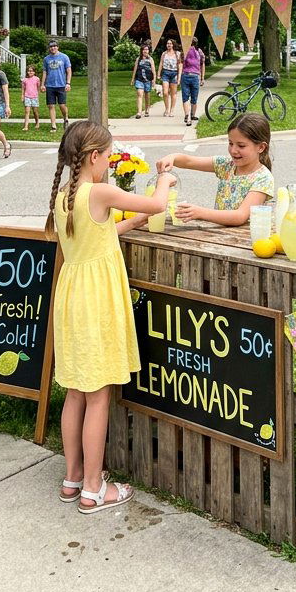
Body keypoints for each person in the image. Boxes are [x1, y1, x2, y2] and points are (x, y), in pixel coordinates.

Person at [46, 121, 174, 513]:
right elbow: (158, 205)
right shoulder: (100, 190)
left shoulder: (64, 196)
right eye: (107, 153)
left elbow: (94, 233)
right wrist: (165, 179)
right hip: (96, 300)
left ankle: (72, 478)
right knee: (98, 396)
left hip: (70, 297)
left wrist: (128, 223)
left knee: (75, 393)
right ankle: (94, 487)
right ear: (94, 157)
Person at [156, 112, 274, 226]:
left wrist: (200, 212)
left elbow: (240, 216)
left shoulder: (263, 178)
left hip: (244, 241)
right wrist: (173, 157)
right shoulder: (227, 165)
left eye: (241, 146)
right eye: (230, 143)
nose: (233, 150)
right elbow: (189, 161)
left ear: (261, 147)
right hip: (218, 236)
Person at [41, 38, 72, 132]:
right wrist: (42, 84)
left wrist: (68, 83)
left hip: (61, 85)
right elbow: (45, 72)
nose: (52, 48)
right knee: (51, 105)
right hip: (50, 85)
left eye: (54, 46)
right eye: (51, 47)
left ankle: (65, 118)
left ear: (57, 47)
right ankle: (53, 125)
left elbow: (68, 70)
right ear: (49, 48)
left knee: (62, 105)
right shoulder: (46, 59)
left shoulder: (64, 57)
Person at [179, 37, 205, 127]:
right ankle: (192, 115)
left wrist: (179, 77)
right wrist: (202, 78)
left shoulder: (184, 50)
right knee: (194, 98)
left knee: (185, 98)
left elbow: (180, 63)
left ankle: (188, 115)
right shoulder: (199, 51)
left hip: (185, 75)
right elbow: (202, 64)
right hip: (195, 76)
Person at [131, 41, 156, 119]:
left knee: (147, 95)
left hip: (148, 80)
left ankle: (147, 109)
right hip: (139, 79)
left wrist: (153, 80)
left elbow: (153, 70)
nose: (145, 51)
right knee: (139, 94)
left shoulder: (150, 59)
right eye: (144, 49)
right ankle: (139, 112)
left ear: (148, 51)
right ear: (141, 50)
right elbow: (135, 69)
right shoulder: (138, 59)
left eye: (147, 49)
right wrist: (133, 79)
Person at [158, 40, 181, 117]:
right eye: (167, 43)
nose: (169, 45)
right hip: (165, 73)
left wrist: (178, 77)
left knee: (173, 93)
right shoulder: (164, 54)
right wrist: (158, 74)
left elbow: (179, 65)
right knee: (165, 92)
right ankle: (167, 109)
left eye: (170, 43)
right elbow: (161, 63)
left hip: (174, 73)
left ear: (173, 45)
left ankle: (172, 110)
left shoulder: (177, 54)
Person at [21, 64, 42, 131]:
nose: (30, 72)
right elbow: (23, 89)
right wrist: (22, 96)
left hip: (34, 97)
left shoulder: (37, 79)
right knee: (27, 111)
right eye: (29, 71)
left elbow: (38, 87)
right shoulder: (25, 80)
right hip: (27, 97)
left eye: (32, 71)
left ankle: (37, 122)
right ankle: (26, 126)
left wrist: (37, 94)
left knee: (35, 111)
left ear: (34, 72)